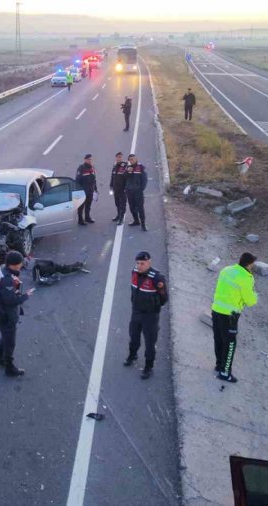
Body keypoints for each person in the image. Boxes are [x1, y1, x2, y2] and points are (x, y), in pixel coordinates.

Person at [210, 252, 259, 383]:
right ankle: (225, 373)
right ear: (249, 264)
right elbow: (250, 301)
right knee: (230, 344)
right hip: (230, 316)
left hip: (216, 310)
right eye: (252, 264)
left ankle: (219, 365)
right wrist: (255, 295)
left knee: (219, 339)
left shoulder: (226, 270)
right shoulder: (246, 277)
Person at [125, 251, 169, 379]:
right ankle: (132, 355)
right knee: (133, 336)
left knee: (150, 343)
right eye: (137, 263)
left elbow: (164, 298)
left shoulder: (157, 278)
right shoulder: (134, 272)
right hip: (136, 311)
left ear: (149, 263)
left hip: (150, 316)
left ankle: (148, 367)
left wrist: (153, 307)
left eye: (142, 263)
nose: (139, 266)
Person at [0, 251, 35, 377]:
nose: (22, 265)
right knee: (10, 342)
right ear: (14, 265)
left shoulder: (2, 269)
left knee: (5, 337)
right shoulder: (6, 280)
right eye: (20, 264)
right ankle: (9, 368)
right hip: (5, 315)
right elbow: (11, 300)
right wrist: (25, 296)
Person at [125, 154, 148, 231]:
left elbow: (144, 179)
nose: (132, 160)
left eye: (133, 159)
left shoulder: (141, 167)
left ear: (136, 159)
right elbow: (124, 178)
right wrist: (128, 172)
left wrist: (141, 189)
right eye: (130, 159)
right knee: (132, 207)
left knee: (140, 208)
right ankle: (136, 221)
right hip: (129, 191)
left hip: (138, 192)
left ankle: (143, 224)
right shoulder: (128, 168)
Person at [75, 153, 97, 225]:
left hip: (90, 190)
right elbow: (77, 180)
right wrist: (78, 191)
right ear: (85, 160)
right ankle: (80, 220)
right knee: (81, 206)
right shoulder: (81, 168)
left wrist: (95, 189)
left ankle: (87, 218)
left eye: (90, 159)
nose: (89, 160)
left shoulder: (92, 167)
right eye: (88, 159)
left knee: (88, 205)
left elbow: (94, 179)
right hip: (83, 191)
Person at [109, 152, 129, 224]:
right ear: (116, 158)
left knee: (122, 204)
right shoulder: (115, 166)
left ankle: (121, 219)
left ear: (122, 158)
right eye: (118, 157)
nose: (119, 158)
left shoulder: (125, 166)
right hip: (115, 189)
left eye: (120, 157)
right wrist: (111, 186)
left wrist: (126, 188)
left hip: (122, 189)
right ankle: (118, 215)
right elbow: (112, 177)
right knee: (117, 203)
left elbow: (128, 177)